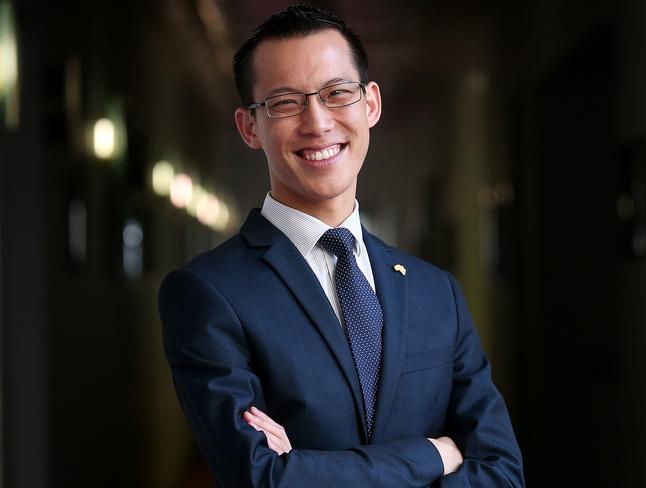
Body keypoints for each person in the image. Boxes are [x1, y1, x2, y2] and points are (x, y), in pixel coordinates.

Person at [159, 5, 524, 487]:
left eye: (337, 94)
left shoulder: (438, 294)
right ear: (250, 127)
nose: (317, 122)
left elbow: (502, 472)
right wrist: (433, 456)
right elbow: (263, 479)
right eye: (285, 102)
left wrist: (307, 468)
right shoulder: (209, 293)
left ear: (370, 103)